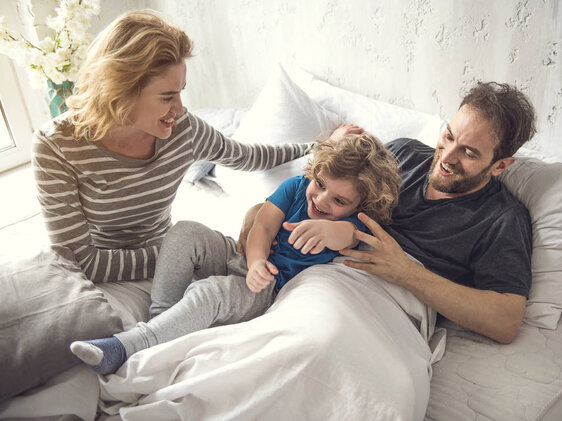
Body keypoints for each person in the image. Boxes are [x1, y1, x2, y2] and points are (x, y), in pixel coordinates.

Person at [70, 132, 403, 374]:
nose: (321, 200)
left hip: (266, 287)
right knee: (185, 230)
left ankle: (126, 346)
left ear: (362, 205)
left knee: (209, 291)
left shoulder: (352, 223)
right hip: (244, 257)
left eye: (339, 201)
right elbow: (262, 227)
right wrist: (256, 259)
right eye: (321, 184)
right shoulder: (296, 189)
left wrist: (333, 229)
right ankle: (161, 320)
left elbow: (351, 235)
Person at [31, 10, 318, 284]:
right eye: (167, 97)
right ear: (120, 91)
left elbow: (249, 157)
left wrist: (317, 145)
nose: (180, 109)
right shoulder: (57, 147)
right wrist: (185, 252)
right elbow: (80, 262)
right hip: (103, 276)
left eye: (180, 92)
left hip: (173, 261)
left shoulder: (184, 130)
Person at [340, 81, 536, 344]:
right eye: (449, 137)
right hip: (329, 277)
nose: (447, 157)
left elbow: (506, 322)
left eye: (468, 152)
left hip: (391, 312)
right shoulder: (401, 154)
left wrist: (406, 271)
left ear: (500, 165)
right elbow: (326, 193)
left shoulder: (501, 218)